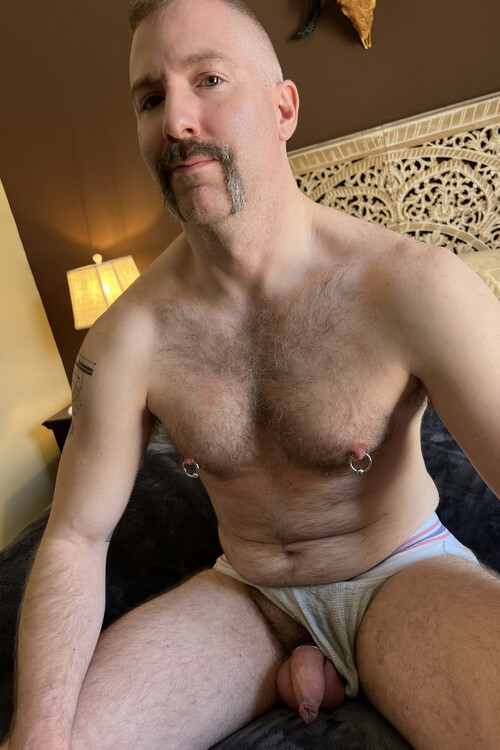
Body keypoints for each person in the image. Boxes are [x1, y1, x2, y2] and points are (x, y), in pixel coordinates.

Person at [5, 0, 500, 748]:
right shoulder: (127, 337)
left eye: (208, 79)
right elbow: (74, 537)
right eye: (150, 98)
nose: (177, 120)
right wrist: (37, 732)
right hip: (248, 594)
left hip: (400, 572)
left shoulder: (413, 287)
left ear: (283, 108)